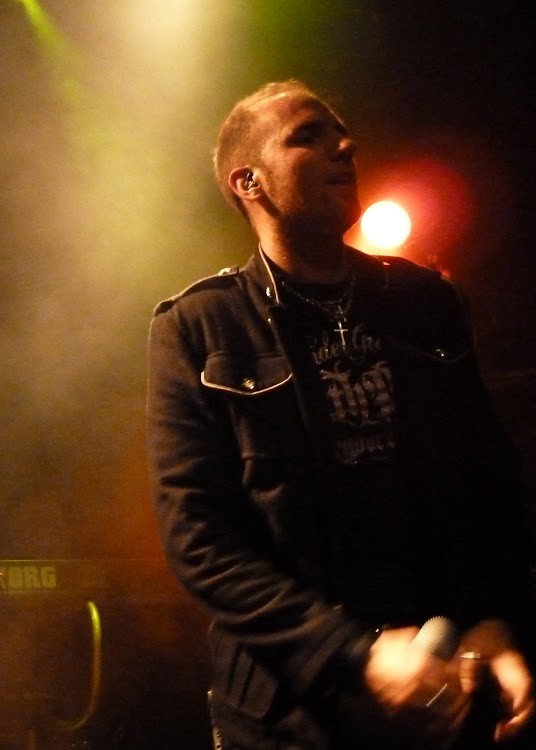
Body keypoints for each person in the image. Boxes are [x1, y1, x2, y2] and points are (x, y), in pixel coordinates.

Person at [146, 80, 535, 749]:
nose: (346, 146)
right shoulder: (199, 327)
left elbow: (490, 484)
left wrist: (497, 619)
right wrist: (354, 653)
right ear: (248, 181)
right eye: (309, 136)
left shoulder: (427, 303)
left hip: (449, 694)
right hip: (291, 719)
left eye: (342, 133)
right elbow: (199, 540)